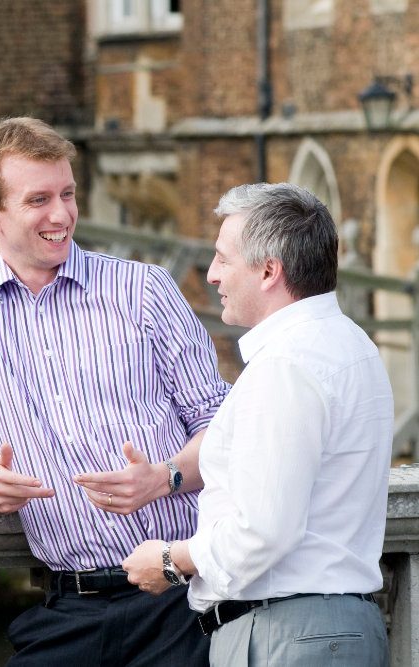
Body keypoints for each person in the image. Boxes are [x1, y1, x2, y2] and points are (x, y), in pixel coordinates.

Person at [0, 117, 230, 665]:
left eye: (67, 194)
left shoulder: (143, 289)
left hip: (183, 598)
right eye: (38, 199)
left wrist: (163, 477)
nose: (61, 215)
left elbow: (222, 427)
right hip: (68, 607)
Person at [122, 183, 392, 666]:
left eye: (224, 259)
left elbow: (264, 530)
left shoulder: (286, 365)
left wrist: (170, 561)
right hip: (329, 629)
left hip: (288, 635)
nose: (211, 275)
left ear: (269, 271)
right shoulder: (352, 344)